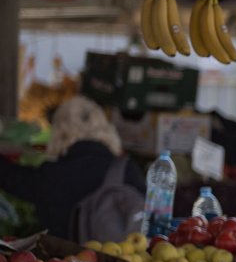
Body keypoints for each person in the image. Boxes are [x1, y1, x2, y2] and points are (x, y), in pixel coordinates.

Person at [0, 96, 146, 240]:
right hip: (118, 254)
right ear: (105, 128)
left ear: (59, 132)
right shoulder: (126, 169)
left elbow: (10, 177)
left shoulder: (51, 174)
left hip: (62, 256)